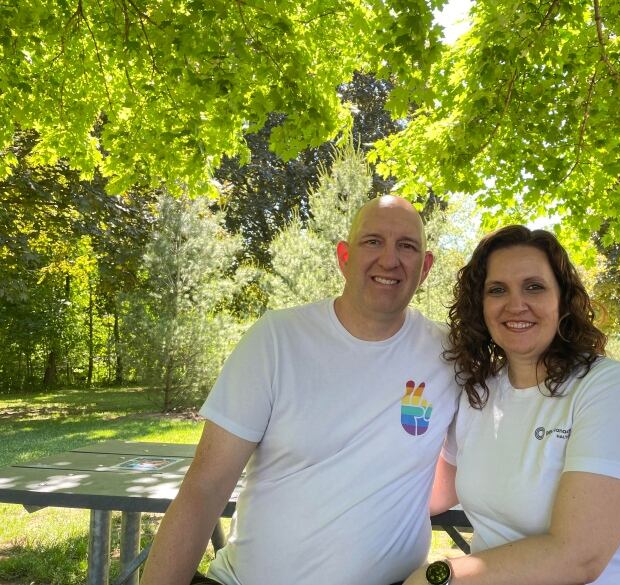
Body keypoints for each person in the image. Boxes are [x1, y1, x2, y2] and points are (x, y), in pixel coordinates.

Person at [140, 195, 460, 585]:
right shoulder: (277, 340)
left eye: (407, 246)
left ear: (425, 267)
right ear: (344, 256)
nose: (390, 260)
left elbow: (453, 477)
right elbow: (205, 487)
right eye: (373, 241)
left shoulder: (450, 355)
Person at [406, 225, 620, 585]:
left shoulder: (607, 386)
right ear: (480, 307)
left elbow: (579, 556)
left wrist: (441, 576)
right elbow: (434, 492)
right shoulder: (478, 393)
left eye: (534, 287)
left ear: (562, 300)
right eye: (497, 290)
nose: (516, 304)